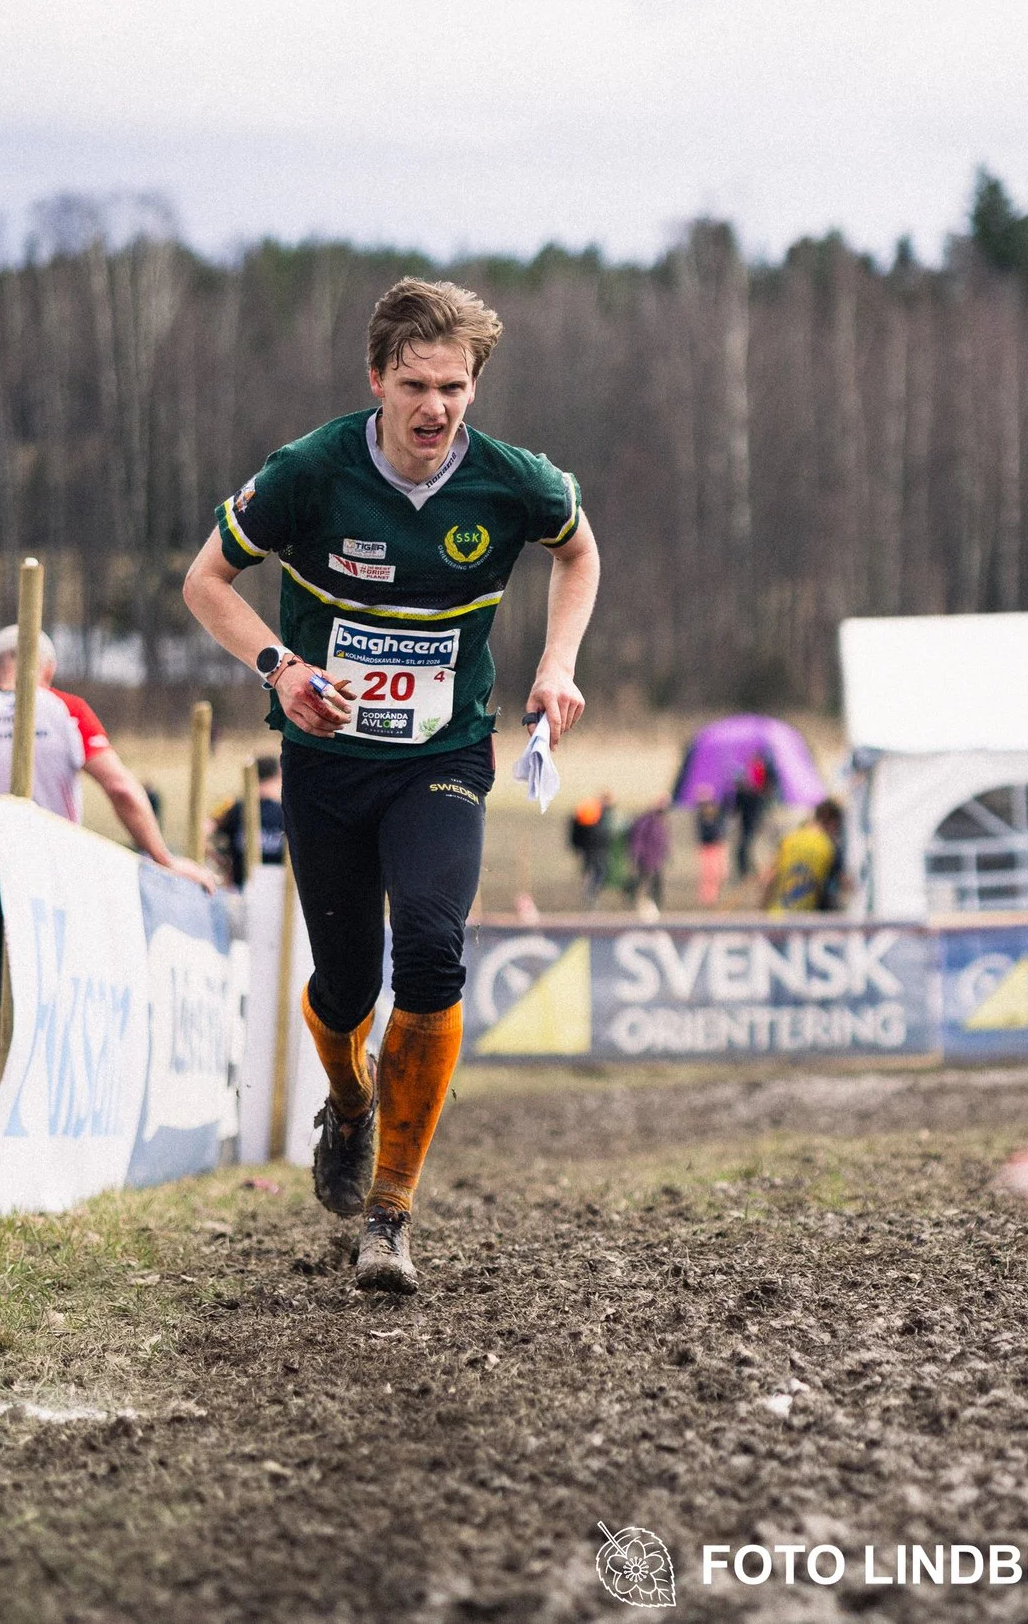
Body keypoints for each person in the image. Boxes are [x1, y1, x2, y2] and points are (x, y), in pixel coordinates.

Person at [180, 277, 600, 1294]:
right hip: (326, 763)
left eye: (454, 386)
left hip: (443, 758)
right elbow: (204, 582)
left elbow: (578, 551)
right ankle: (350, 1103)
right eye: (415, 383)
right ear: (376, 379)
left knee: (431, 945)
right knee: (345, 985)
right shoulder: (310, 472)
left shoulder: (514, 482)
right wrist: (282, 665)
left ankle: (390, 1215)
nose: (435, 407)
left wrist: (555, 664)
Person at [0, 628, 214, 887]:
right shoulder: (67, 710)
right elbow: (121, 789)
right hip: (49, 869)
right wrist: (165, 860)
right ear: (49, 670)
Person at [207, 755, 286, 888]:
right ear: (278, 775)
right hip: (280, 893)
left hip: (239, 889)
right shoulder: (286, 812)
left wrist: (220, 860)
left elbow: (202, 831)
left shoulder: (233, 807)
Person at [763, 798, 848, 913]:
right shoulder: (830, 847)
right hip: (806, 922)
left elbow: (768, 878)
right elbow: (844, 884)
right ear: (833, 823)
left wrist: (762, 912)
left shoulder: (790, 839)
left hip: (777, 918)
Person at [626, 796, 670, 916]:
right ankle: (635, 901)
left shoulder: (660, 821)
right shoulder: (647, 821)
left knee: (656, 883)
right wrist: (636, 854)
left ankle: (656, 905)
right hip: (646, 858)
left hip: (655, 858)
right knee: (643, 880)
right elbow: (638, 839)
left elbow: (663, 840)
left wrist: (666, 853)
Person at [569, 792, 615, 906]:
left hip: (590, 848)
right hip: (595, 848)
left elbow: (576, 831)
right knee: (599, 871)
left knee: (591, 871)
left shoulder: (590, 811)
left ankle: (589, 894)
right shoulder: (596, 812)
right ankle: (590, 894)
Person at [730, 752, 771, 879]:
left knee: (746, 846)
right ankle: (747, 870)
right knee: (747, 846)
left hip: (749, 822)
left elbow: (736, 809)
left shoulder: (745, 793)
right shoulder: (752, 793)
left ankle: (747, 870)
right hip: (750, 822)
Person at [692, 791, 730, 907]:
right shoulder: (702, 820)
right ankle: (707, 897)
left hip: (717, 846)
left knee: (720, 873)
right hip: (707, 847)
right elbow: (704, 835)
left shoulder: (719, 818)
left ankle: (714, 895)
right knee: (709, 873)